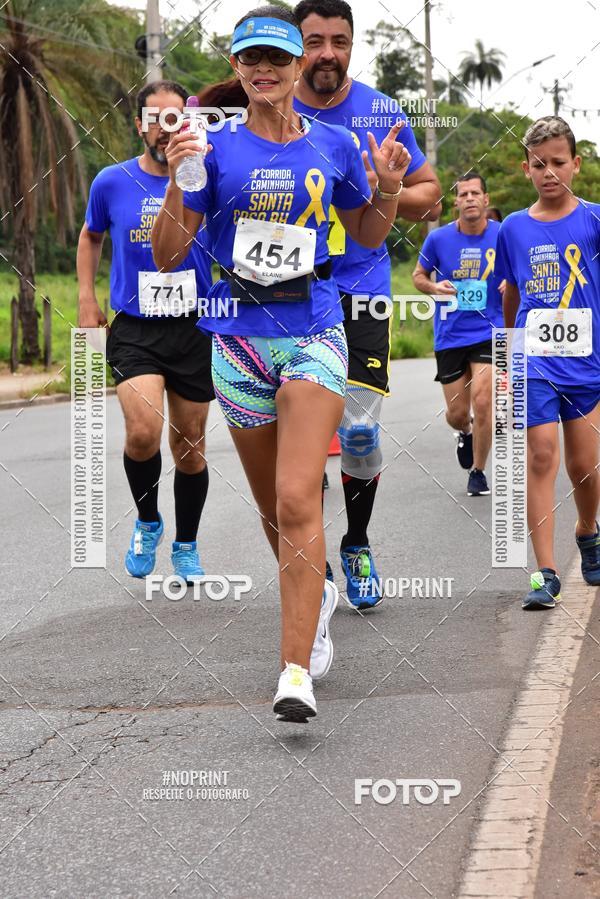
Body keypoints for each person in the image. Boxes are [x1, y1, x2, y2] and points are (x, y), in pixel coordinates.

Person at [152, 5, 409, 721]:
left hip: (314, 332)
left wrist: (386, 184)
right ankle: (316, 592)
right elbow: (171, 253)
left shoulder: (332, 145)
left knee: (300, 497)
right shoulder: (215, 148)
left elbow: (364, 233)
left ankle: (294, 669)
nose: (263, 69)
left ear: (299, 67)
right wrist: (178, 178)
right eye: (250, 59)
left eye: (277, 58)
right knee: (274, 508)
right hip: (234, 340)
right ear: (237, 69)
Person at [293, 0, 441, 609]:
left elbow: (431, 199)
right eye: (315, 40)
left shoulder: (380, 111)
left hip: (363, 294)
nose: (328, 52)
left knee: (357, 433)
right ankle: (315, 560)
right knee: (302, 442)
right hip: (290, 299)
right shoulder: (274, 108)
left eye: (340, 41)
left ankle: (354, 541)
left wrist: (379, 185)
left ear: (353, 45)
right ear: (297, 44)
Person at [77, 81, 214, 583]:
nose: (164, 126)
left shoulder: (207, 176)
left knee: (191, 444)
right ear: (139, 124)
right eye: (154, 117)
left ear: (188, 122)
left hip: (195, 325)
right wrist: (87, 298)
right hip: (135, 328)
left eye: (174, 117)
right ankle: (148, 519)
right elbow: (91, 236)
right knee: (141, 432)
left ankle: (187, 544)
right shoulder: (111, 181)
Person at [495, 116, 600, 609]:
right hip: (535, 361)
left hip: (588, 365)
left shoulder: (595, 221)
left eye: (559, 162)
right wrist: (510, 351)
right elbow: (511, 293)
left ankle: (586, 529)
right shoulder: (513, 228)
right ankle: (546, 572)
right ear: (526, 169)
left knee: (586, 467)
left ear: (576, 165)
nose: (550, 172)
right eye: (540, 164)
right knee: (539, 455)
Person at [412, 173, 503, 496]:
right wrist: (434, 287)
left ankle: (478, 471)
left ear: (485, 199)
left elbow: (520, 269)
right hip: (450, 334)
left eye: (474, 193)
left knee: (483, 398)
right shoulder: (438, 240)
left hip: (490, 330)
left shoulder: (502, 235)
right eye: (463, 194)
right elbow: (418, 276)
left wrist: (511, 283)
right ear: (456, 202)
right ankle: (464, 431)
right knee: (457, 413)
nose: (469, 199)